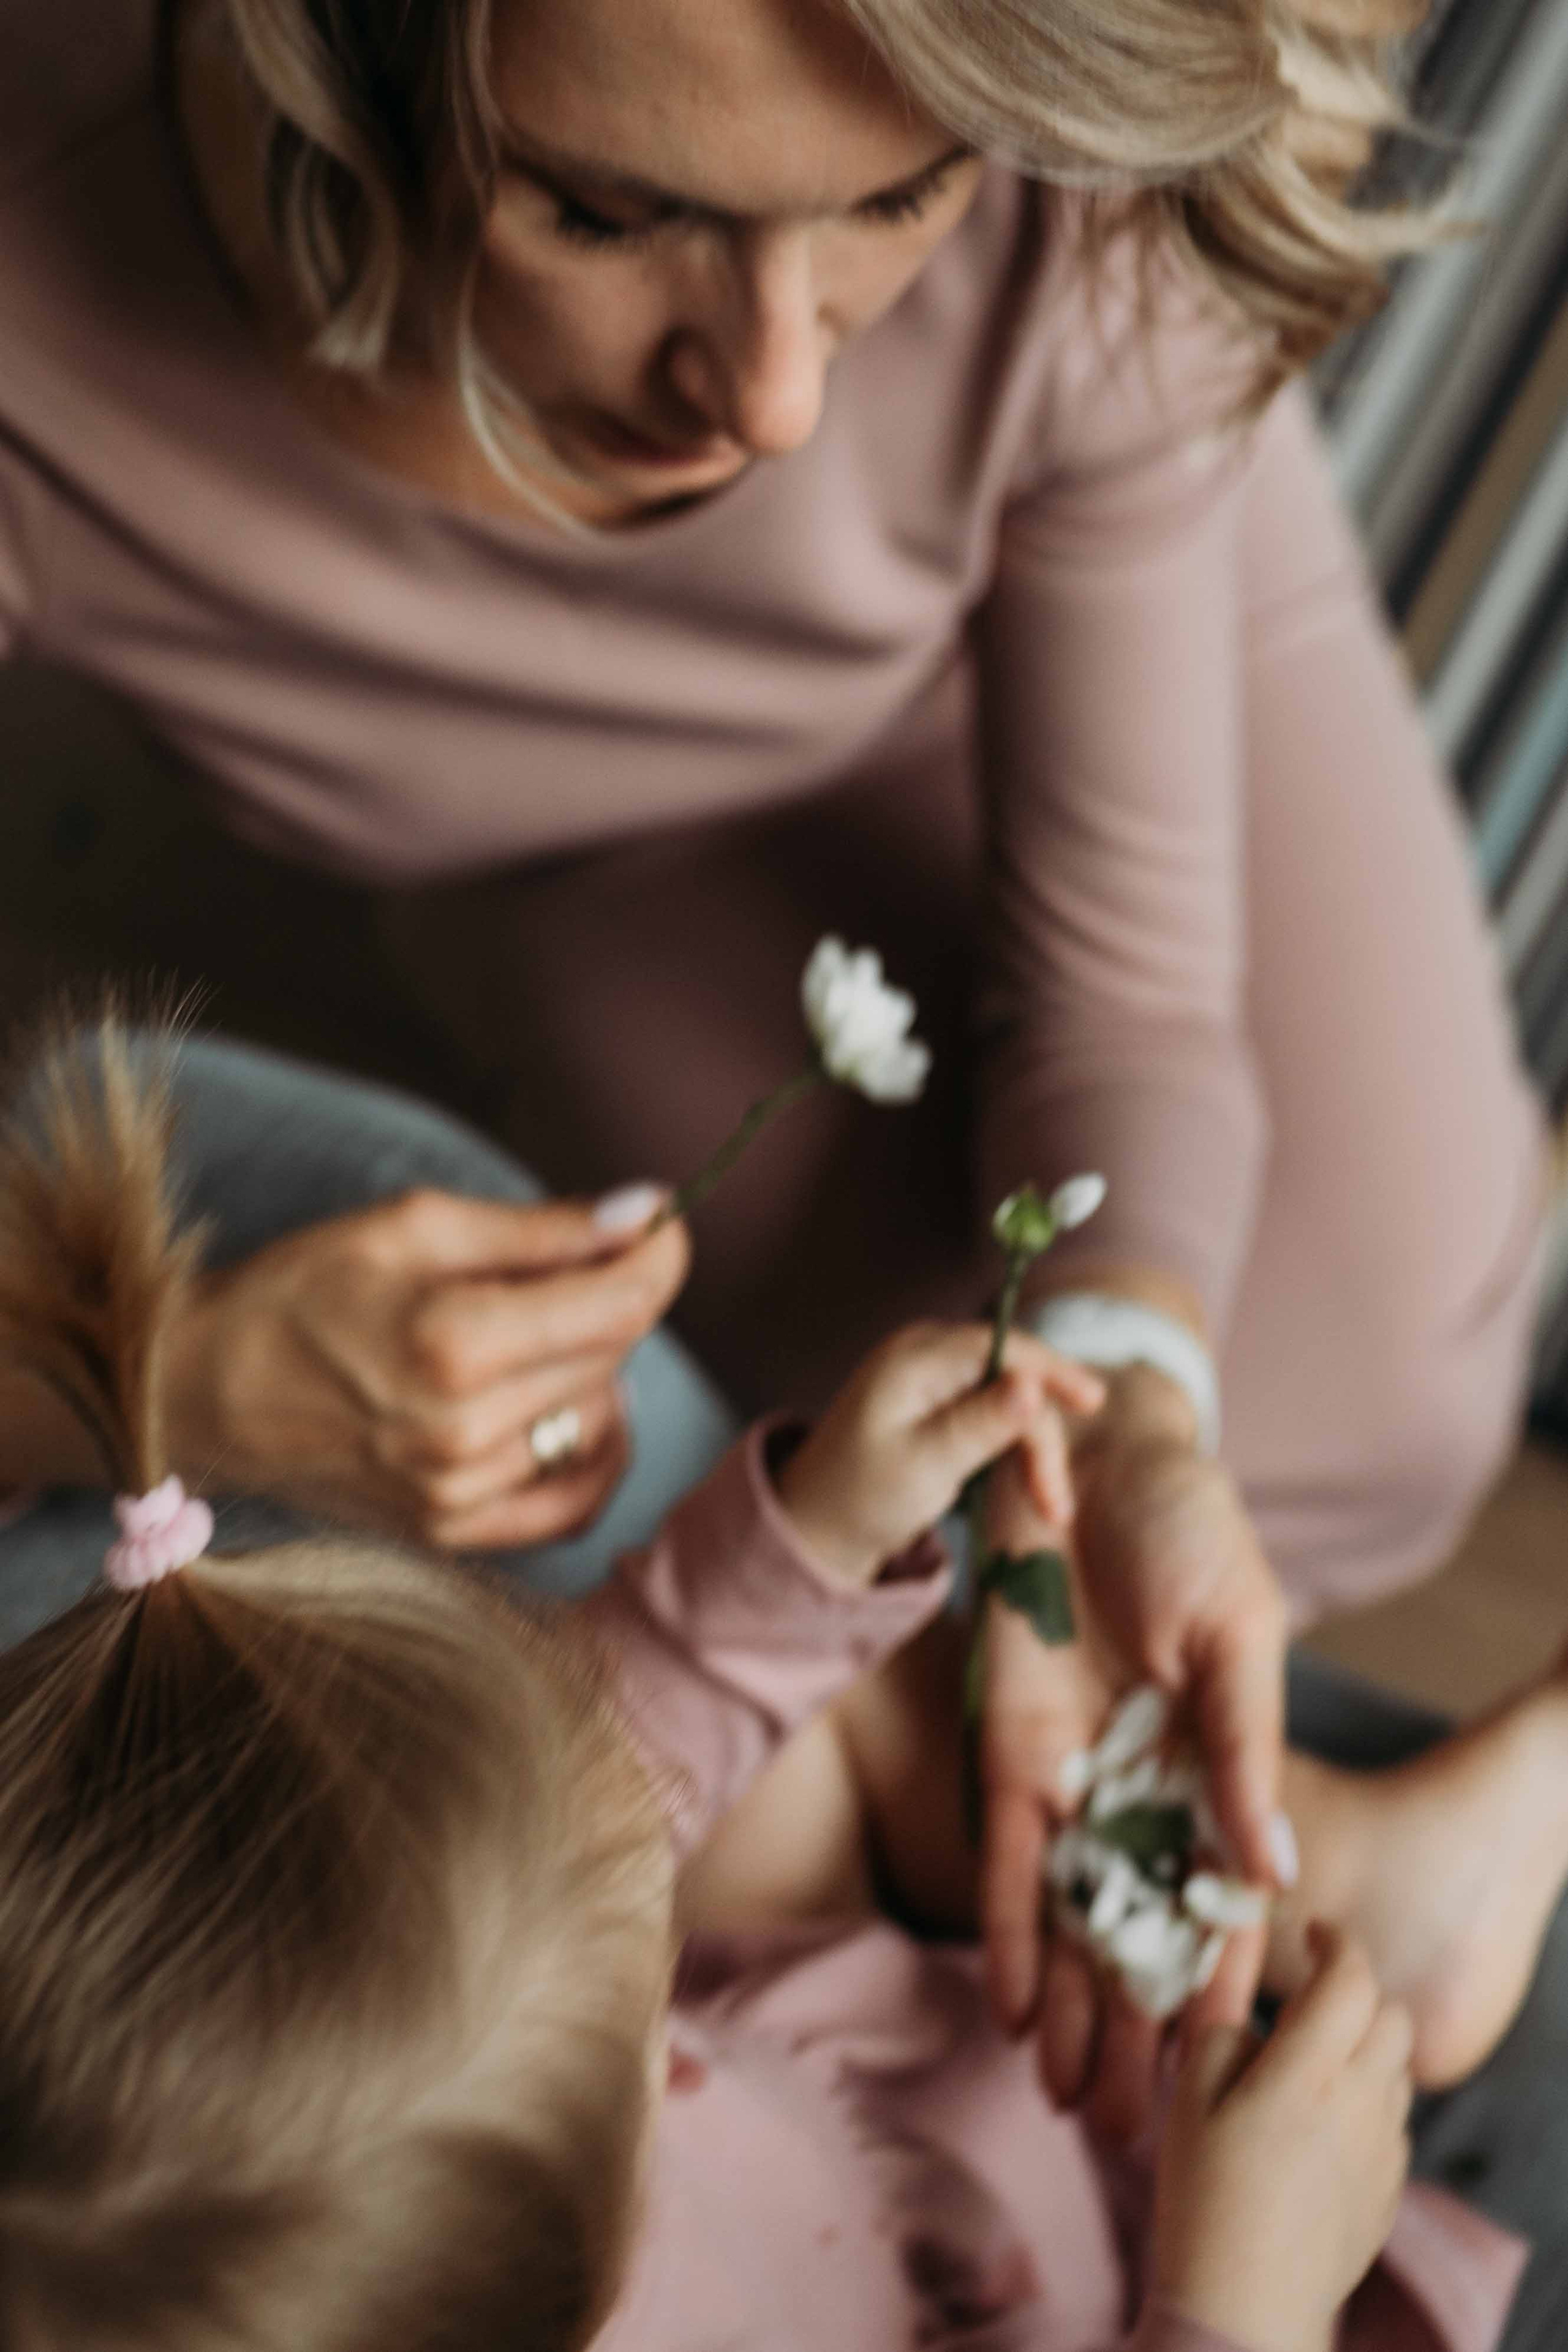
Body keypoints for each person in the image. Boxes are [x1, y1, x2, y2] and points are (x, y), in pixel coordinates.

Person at [0, 0, 1548, 2112]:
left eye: (897, 201)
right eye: (608, 210)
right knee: (831, 1485)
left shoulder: (1072, 155)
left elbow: (1125, 994)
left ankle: (1026, 1780)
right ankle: (1205, 1836)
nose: (780, 391)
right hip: (561, 827)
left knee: (1379, 1390)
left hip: (1083, 554)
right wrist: (192, 1374)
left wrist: (1131, 1412)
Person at [4, 1017, 1564, 2352]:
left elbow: (595, 1796)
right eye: (632, 2021)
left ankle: (1298, 1874)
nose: (674, 2031)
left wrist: (810, 1538)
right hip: (1104, 2281)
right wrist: (1240, 2308)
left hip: (942, 2122)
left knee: (713, 1792)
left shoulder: (433, 2106)